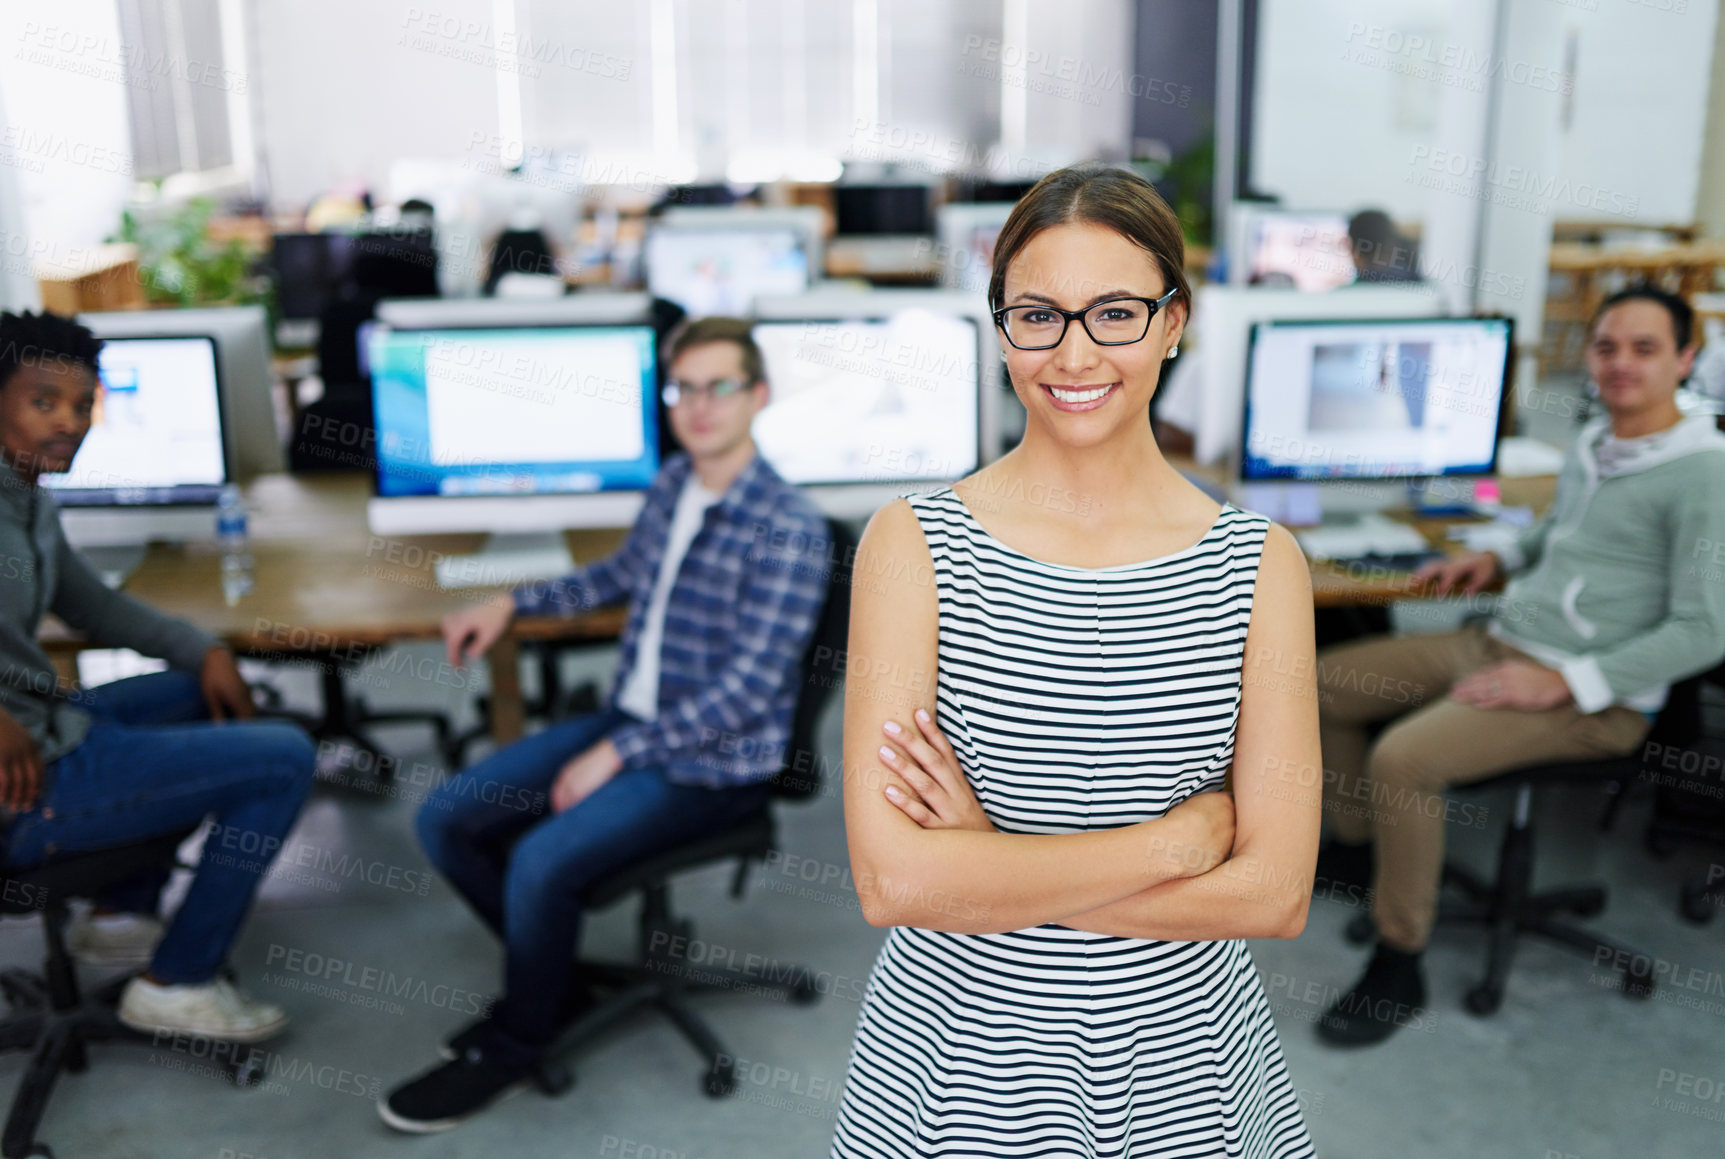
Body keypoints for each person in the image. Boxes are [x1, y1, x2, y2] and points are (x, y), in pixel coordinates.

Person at [831, 165, 1320, 1158]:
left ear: (1174, 321)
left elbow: (1273, 895)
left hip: (1185, 1064)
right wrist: (1178, 846)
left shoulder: (1259, 565)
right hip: (958, 1063)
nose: (1075, 351)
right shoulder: (914, 544)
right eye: (1038, 316)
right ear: (1001, 327)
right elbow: (895, 883)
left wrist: (985, 861)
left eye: (1116, 313)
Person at [380, 316, 828, 1132]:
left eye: (718, 386)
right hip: (635, 721)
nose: (698, 406)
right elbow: (619, 573)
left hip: (714, 764)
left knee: (542, 859)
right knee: (446, 817)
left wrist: (615, 753)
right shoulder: (672, 484)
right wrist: (511, 600)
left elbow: (747, 689)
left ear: (756, 396)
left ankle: (517, 1046)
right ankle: (554, 973)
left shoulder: (788, 528)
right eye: (683, 387)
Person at [1313, 284, 1725, 1046]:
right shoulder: (1596, 437)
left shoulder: (1703, 473)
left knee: (1402, 758)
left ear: (1686, 360)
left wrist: (1564, 680)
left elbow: (1706, 629)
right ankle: (1358, 851)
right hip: (1505, 640)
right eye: (1606, 347)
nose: (1619, 363)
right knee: (1323, 685)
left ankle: (1398, 961)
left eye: (1644, 348)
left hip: (1592, 695)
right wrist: (1497, 553)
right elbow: (1556, 529)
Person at [0, 310, 316, 1042]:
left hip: (44, 726)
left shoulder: (26, 495)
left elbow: (90, 603)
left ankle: (118, 916)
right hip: (21, 791)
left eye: (83, 405)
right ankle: (176, 980)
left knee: (196, 695)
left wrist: (203, 648)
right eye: (43, 401)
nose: (70, 422)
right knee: (283, 758)